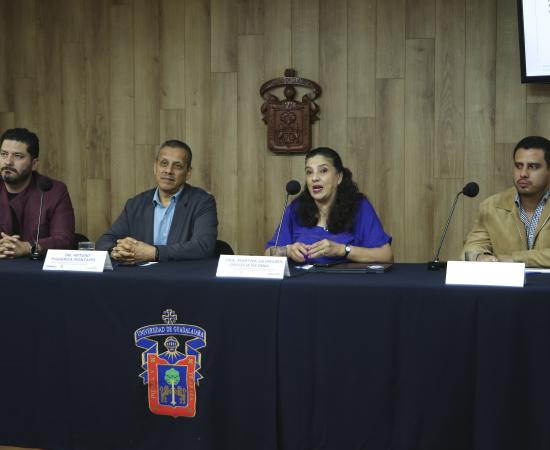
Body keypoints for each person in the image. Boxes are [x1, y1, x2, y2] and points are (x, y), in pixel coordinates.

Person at [265, 147, 393, 264]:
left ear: (339, 177)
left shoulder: (358, 206)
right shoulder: (296, 208)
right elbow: (267, 254)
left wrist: (342, 250)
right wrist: (287, 250)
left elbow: (386, 256)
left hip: (344, 281)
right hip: (302, 281)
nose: (314, 178)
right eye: (309, 172)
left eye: (323, 171)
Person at [96, 139, 218, 263]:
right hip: (141, 274)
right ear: (155, 167)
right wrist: (118, 251)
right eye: (164, 163)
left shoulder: (202, 202)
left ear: (188, 173)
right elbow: (104, 242)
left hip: (181, 273)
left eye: (178, 166)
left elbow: (203, 246)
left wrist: (154, 253)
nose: (168, 171)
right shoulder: (135, 204)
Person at [462, 135, 550, 267]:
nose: (523, 173)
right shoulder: (492, 206)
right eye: (518, 166)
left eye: (532, 166)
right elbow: (470, 248)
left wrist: (516, 259)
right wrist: (480, 257)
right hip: (507, 281)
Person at [0, 128, 75, 258]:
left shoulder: (53, 191)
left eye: (17, 156)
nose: (8, 161)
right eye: (4, 154)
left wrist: (27, 247)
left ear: (34, 164)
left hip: (37, 268)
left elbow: (64, 239)